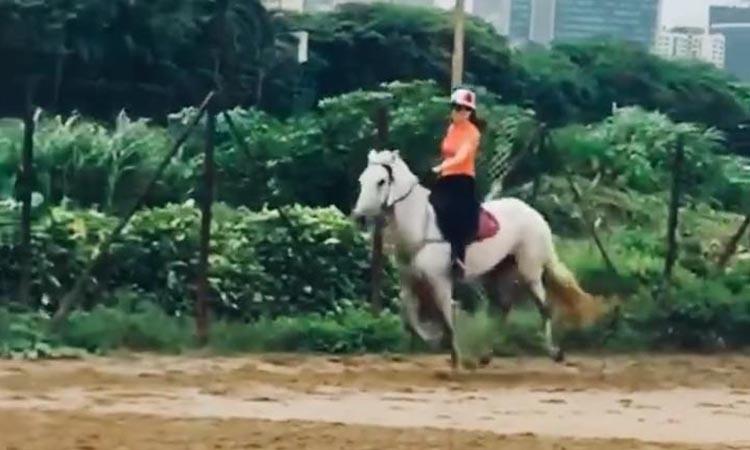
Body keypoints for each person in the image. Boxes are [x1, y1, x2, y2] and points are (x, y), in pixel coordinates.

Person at [430, 87, 485, 279]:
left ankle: (457, 258)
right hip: (445, 177)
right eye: (458, 108)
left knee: (456, 213)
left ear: (471, 112)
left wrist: (442, 166)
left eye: (466, 109)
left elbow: (463, 156)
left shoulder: (473, 133)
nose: (462, 112)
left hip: (462, 179)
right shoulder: (451, 129)